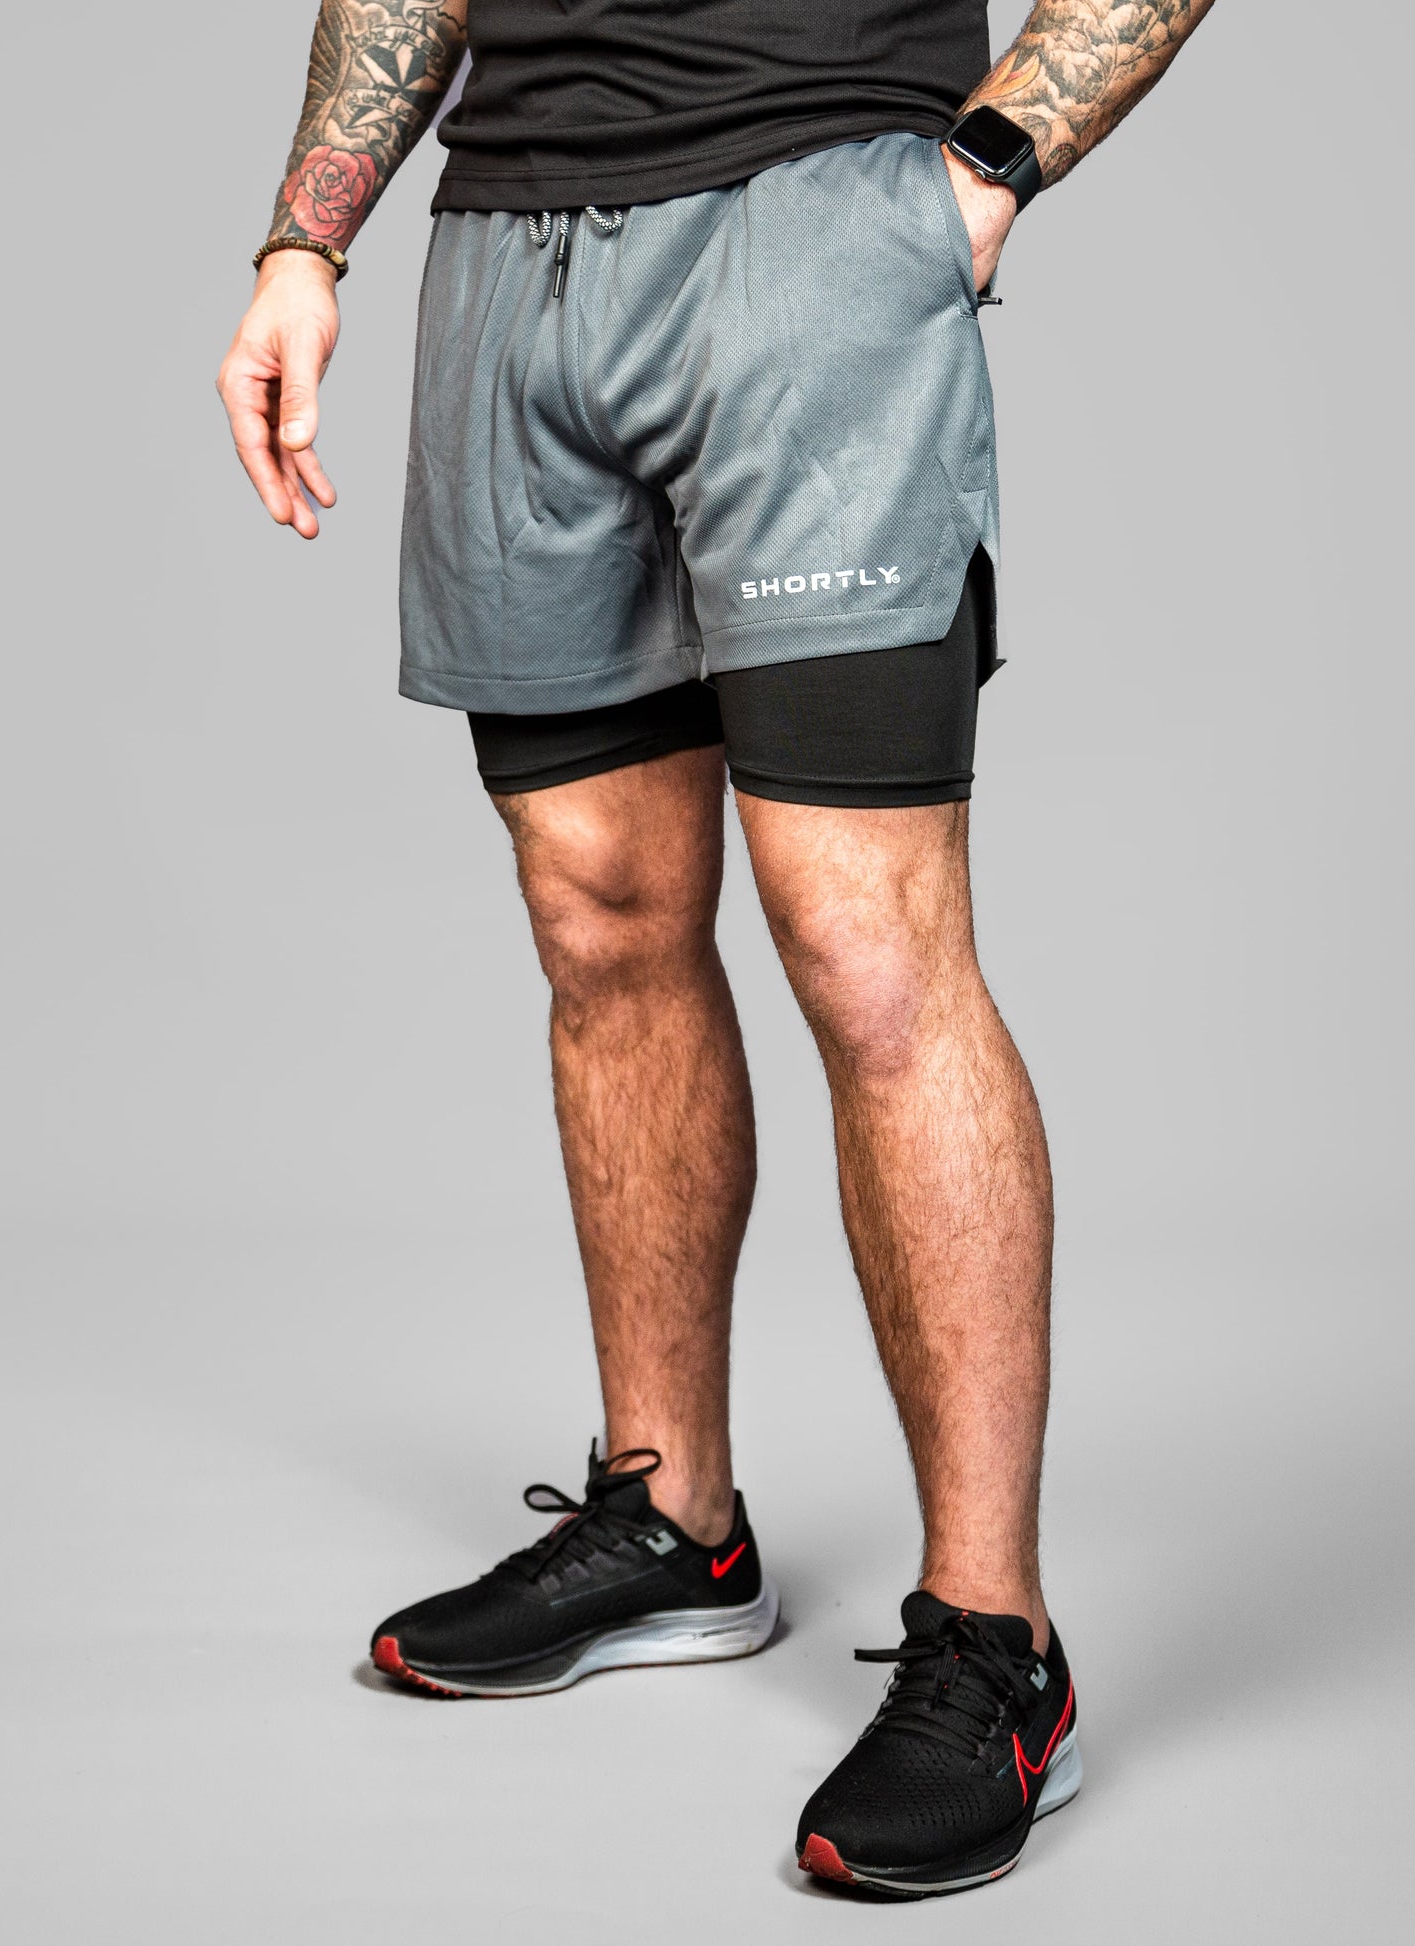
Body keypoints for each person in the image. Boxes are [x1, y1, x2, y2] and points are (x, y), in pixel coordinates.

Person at [218, 0, 1213, 1898]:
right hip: (509, 255)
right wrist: (303, 241)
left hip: (813, 234)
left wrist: (987, 167)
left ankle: (994, 1641)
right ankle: (673, 1524)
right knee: (596, 911)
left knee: (868, 948)